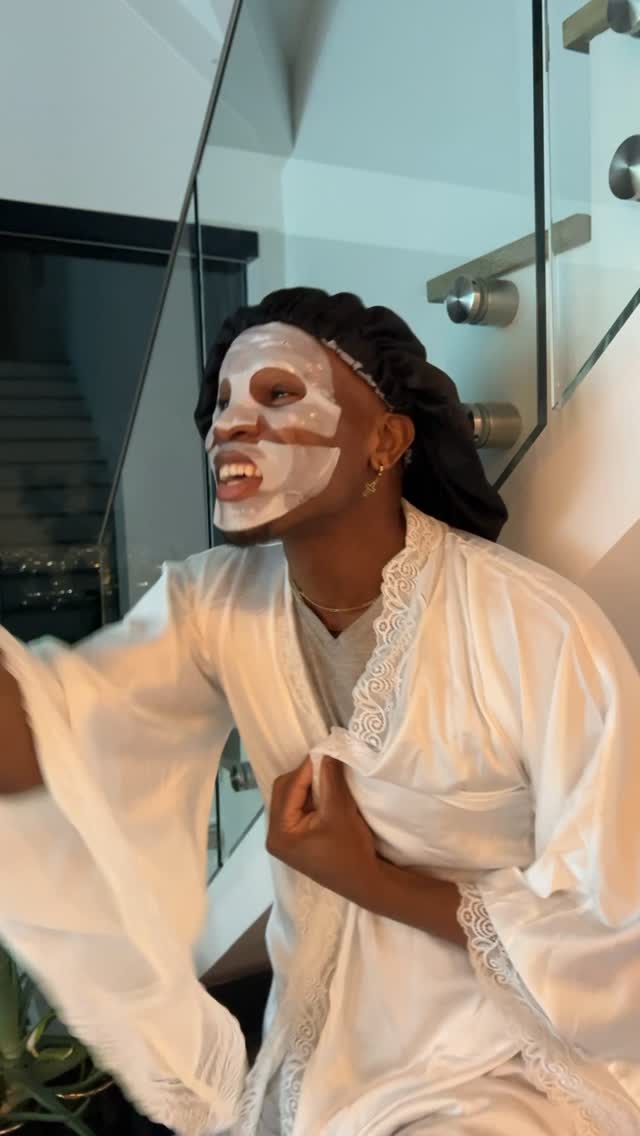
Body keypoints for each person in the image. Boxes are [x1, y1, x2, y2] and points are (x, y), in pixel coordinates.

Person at [0, 287, 639, 1136]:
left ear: (387, 440)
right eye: (222, 401)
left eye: (277, 394)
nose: (228, 425)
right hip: (318, 1055)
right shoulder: (215, 604)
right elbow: (48, 743)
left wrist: (371, 879)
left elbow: (618, 933)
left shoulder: (538, 631)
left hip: (507, 1063)